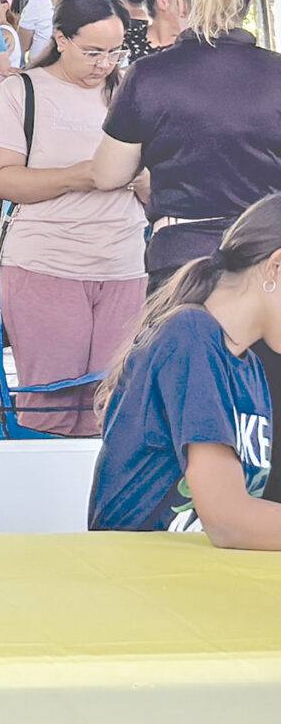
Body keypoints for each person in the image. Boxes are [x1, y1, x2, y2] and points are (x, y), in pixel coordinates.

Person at [0, 0, 149, 435]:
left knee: (112, 407)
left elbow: (163, 185)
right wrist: (82, 176)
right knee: (48, 406)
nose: (105, 65)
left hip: (124, 266)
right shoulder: (23, 92)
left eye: (115, 51)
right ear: (61, 38)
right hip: (45, 264)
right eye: (93, 52)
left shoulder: (130, 92)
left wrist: (147, 180)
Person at [93, 0, 281, 326]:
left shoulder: (148, 75)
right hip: (268, 263)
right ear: (247, 7)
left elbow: (108, 175)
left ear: (179, 4)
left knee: (184, 380)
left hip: (179, 262)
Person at [89, 197, 281, 543]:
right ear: (276, 268)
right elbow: (228, 520)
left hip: (203, 579)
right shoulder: (190, 335)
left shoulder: (249, 369)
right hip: (136, 577)